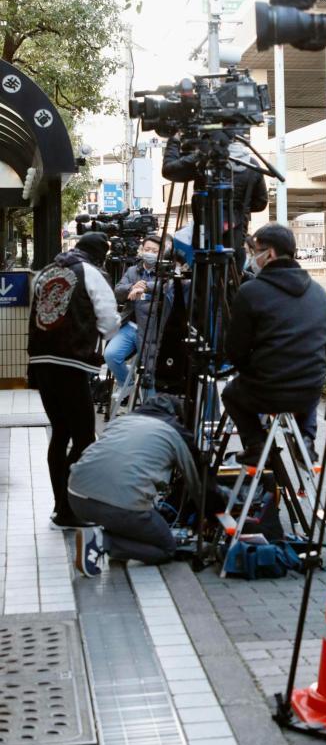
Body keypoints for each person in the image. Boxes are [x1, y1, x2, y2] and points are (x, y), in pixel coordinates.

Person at [27, 232, 120, 529]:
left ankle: (61, 507)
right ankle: (69, 506)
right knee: (83, 436)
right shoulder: (90, 272)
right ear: (99, 253)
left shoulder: (48, 271)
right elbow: (107, 318)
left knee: (60, 432)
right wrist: (108, 338)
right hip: (72, 360)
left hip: (42, 361)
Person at [221, 223, 326, 464]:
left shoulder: (250, 292)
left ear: (269, 254)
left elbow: (235, 351)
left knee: (231, 393)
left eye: (254, 252)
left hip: (267, 390)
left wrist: (253, 368)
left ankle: (257, 446)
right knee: (306, 378)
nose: (251, 258)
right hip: (310, 391)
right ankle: (306, 440)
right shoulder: (319, 293)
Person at [70, 395, 201, 576]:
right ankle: (103, 542)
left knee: (129, 510)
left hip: (76, 497)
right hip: (118, 506)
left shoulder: (122, 421)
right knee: (167, 548)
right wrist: (212, 513)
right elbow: (199, 485)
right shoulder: (175, 431)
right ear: (177, 418)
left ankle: (109, 539)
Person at [162, 133, 268, 268]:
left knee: (202, 278)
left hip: (203, 243)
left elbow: (169, 170)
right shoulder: (251, 164)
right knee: (232, 284)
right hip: (235, 243)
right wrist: (237, 207)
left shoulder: (203, 160)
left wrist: (175, 139)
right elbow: (260, 202)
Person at [104, 233, 164, 395]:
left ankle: (149, 412)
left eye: (154, 250)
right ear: (141, 250)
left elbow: (167, 287)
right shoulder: (132, 270)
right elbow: (117, 290)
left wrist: (145, 287)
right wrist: (132, 287)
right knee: (111, 354)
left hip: (152, 329)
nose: (150, 253)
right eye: (147, 249)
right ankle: (127, 383)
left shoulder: (165, 271)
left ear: (161, 253)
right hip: (130, 326)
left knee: (148, 371)